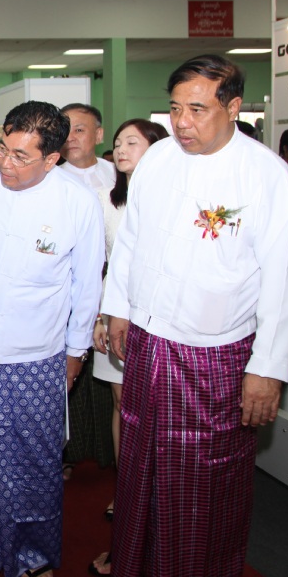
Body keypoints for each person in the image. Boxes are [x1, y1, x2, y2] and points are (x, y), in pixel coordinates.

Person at [96, 55, 288, 577]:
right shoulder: (159, 158)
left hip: (217, 350)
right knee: (141, 455)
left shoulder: (267, 177)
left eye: (197, 109)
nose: (182, 122)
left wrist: (267, 369)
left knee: (214, 471)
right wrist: (118, 308)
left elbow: (284, 281)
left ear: (233, 108)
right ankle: (137, 552)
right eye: (175, 109)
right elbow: (131, 242)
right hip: (149, 336)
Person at [0, 101, 104, 577]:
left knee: (33, 458)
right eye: (3, 149)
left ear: (52, 159)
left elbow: (86, 286)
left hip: (37, 352)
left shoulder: (77, 203)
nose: (6, 164)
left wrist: (75, 352)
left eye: (21, 157)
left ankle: (32, 549)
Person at [87, 119, 168, 523]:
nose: (120, 149)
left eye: (131, 142)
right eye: (118, 143)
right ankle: (127, 490)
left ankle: (160, 491)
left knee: (157, 408)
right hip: (113, 311)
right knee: (122, 404)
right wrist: (99, 317)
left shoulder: (173, 200)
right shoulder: (106, 200)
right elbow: (97, 265)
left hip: (162, 316)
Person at [58, 103, 117, 480]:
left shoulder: (117, 175)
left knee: (107, 370)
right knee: (72, 367)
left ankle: (108, 450)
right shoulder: (51, 177)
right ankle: (68, 451)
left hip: (111, 284)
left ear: (98, 134)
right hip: (67, 286)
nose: (71, 137)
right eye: (65, 129)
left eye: (80, 129)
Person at [59, 103, 117, 191]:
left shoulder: (116, 173)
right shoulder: (48, 179)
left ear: (98, 135)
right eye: (64, 132)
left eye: (79, 130)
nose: (69, 138)